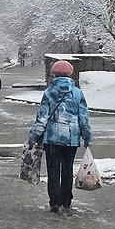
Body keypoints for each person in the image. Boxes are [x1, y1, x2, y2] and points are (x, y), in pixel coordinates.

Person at [27, 59, 92, 215]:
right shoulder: (77, 93)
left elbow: (42, 117)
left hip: (52, 138)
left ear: (54, 74)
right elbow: (84, 118)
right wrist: (87, 136)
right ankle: (66, 202)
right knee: (68, 170)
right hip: (71, 139)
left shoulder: (49, 92)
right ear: (70, 73)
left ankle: (54, 202)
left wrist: (34, 135)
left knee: (53, 170)